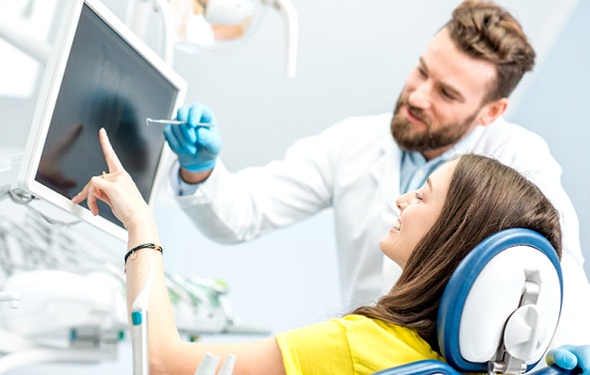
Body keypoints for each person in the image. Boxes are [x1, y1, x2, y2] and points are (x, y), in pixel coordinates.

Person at [162, 0, 590, 347]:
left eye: (446, 93)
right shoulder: (354, 143)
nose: (418, 96)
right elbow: (244, 213)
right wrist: (200, 171)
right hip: (365, 349)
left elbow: (557, 271)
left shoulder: (519, 158)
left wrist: (567, 343)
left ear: (491, 112)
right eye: (422, 71)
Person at [74, 129, 587, 374]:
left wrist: (140, 223)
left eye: (423, 194)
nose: (402, 198)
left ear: (451, 239)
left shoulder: (359, 345)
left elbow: (163, 360)